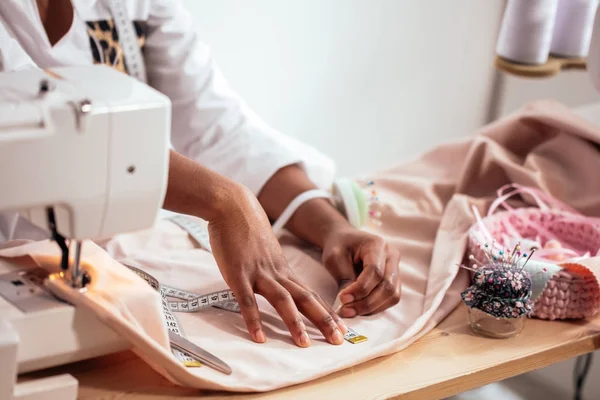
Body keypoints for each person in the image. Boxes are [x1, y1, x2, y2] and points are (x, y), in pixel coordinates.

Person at [0, 0, 401, 348]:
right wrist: (224, 201)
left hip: (114, 253)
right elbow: (54, 131)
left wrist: (329, 225)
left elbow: (214, 126)